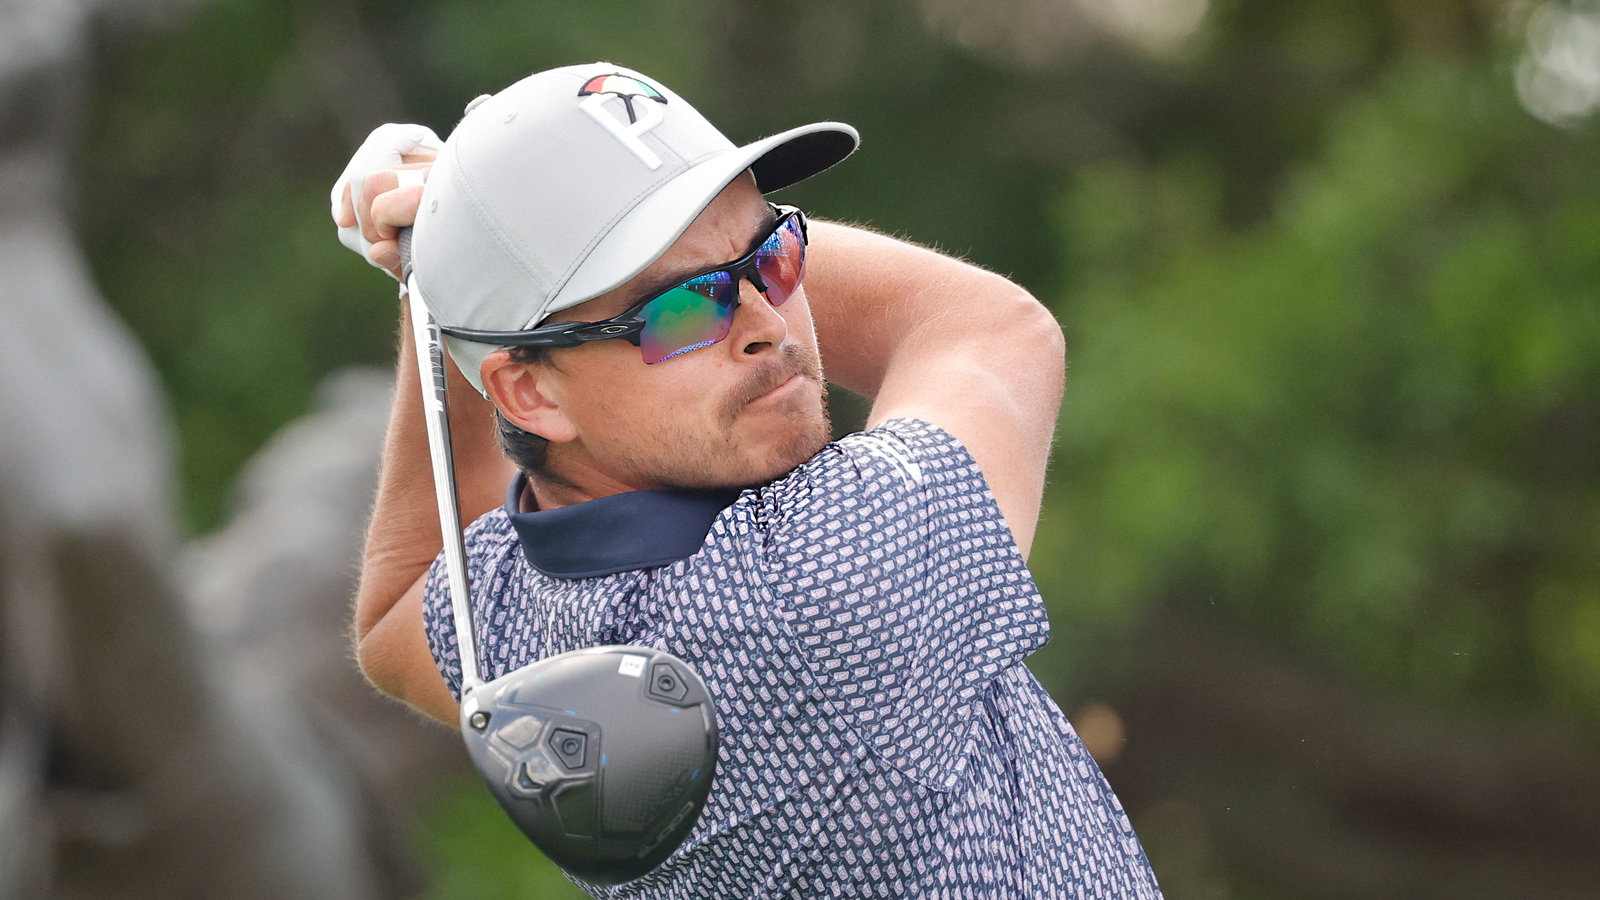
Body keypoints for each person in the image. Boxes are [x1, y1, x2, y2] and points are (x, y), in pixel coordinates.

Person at [334, 61, 1161, 898]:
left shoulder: (514, 627)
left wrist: (453, 265)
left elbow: (402, 603)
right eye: (680, 309)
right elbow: (986, 327)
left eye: (774, 257)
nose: (766, 323)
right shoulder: (826, 578)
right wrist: (465, 237)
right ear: (529, 391)